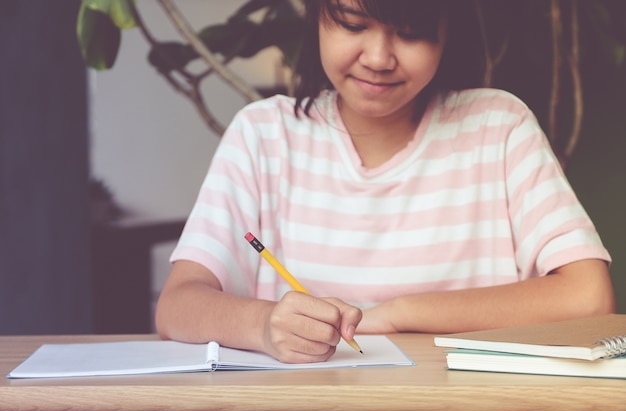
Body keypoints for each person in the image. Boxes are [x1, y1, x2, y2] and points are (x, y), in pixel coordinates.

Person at [155, 0, 615, 364]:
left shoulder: (499, 127)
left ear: (446, 33)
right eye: (354, 25)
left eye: (411, 32)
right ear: (316, 16)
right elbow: (178, 307)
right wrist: (263, 325)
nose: (377, 58)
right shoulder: (263, 135)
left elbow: (589, 297)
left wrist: (399, 314)